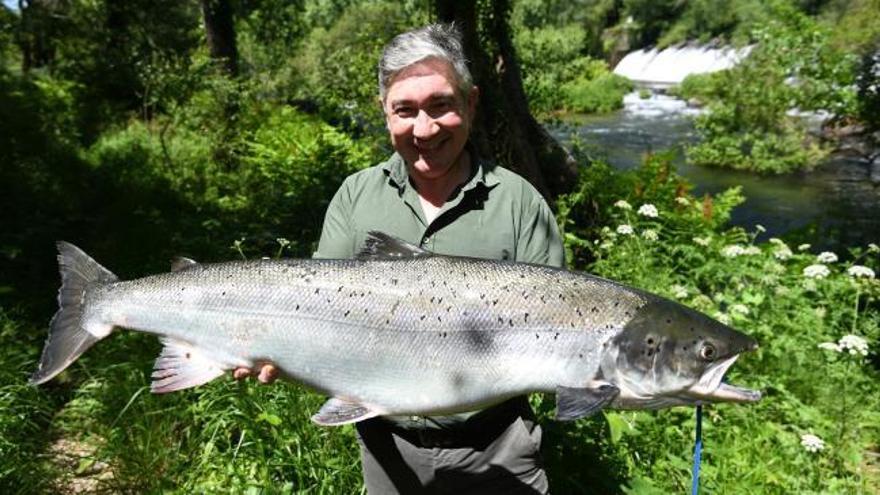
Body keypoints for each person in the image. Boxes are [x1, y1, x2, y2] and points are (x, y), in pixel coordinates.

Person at [237, 23, 564, 494]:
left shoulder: (520, 202)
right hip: (385, 449)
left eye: (441, 106)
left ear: (471, 103)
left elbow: (558, 340)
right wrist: (271, 347)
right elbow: (312, 312)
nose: (424, 129)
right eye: (405, 111)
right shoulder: (355, 195)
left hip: (499, 451)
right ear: (384, 112)